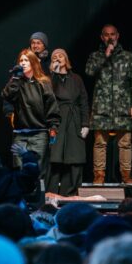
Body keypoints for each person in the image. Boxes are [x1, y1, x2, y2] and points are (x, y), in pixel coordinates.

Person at [85, 24, 132, 185]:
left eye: (112, 34)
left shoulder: (128, 57)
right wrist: (104, 56)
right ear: (102, 37)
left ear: (118, 36)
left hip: (123, 108)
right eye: (106, 35)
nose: (110, 37)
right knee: (100, 144)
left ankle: (126, 176)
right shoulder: (95, 56)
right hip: (102, 108)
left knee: (125, 144)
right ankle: (99, 177)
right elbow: (89, 72)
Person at [1, 49, 59, 171]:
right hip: (20, 135)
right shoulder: (16, 82)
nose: (23, 63)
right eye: (21, 60)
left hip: (39, 134)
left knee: (37, 171)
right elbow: (7, 96)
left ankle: (38, 191)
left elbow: (51, 106)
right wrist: (15, 78)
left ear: (33, 62)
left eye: (26, 60)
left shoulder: (43, 83)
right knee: (20, 171)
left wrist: (53, 127)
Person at [47, 48, 90, 196]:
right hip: (58, 120)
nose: (58, 58)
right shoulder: (50, 79)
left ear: (66, 59)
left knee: (75, 157)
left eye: (60, 56)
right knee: (56, 157)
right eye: (54, 58)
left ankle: (71, 193)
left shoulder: (77, 79)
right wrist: (54, 74)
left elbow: (84, 101)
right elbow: (48, 96)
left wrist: (85, 123)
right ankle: (51, 193)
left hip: (74, 119)